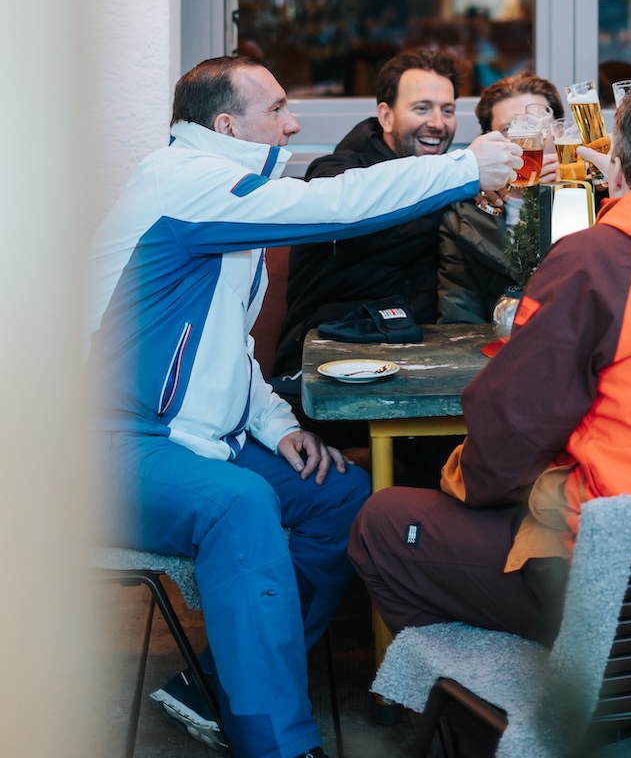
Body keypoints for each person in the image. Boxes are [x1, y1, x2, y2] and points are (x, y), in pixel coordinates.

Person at [88, 55, 520, 758]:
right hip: (113, 444)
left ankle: (224, 687)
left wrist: (279, 427)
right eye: (278, 110)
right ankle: (278, 743)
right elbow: (335, 204)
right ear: (227, 124)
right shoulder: (185, 186)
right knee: (239, 506)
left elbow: (222, 348)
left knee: (340, 494)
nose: (292, 124)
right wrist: (467, 167)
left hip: (194, 437)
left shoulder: (223, 196)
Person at [350, 85, 631, 648]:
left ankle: (522, 716)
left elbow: (513, 424)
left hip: (624, 577)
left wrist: (465, 482)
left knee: (384, 522)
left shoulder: (599, 258)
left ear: (615, 169)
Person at [273, 49, 462, 380]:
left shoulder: (450, 182)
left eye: (448, 110)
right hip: (325, 367)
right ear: (386, 117)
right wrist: (459, 181)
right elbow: (360, 203)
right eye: (422, 108)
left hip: (414, 359)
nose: (437, 123)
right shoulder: (337, 173)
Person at [437, 72, 564, 324]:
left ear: (557, 131)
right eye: (512, 129)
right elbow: (459, 319)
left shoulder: (591, 200)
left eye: (538, 126)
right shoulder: (464, 217)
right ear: (489, 140)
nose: (529, 140)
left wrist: (568, 194)